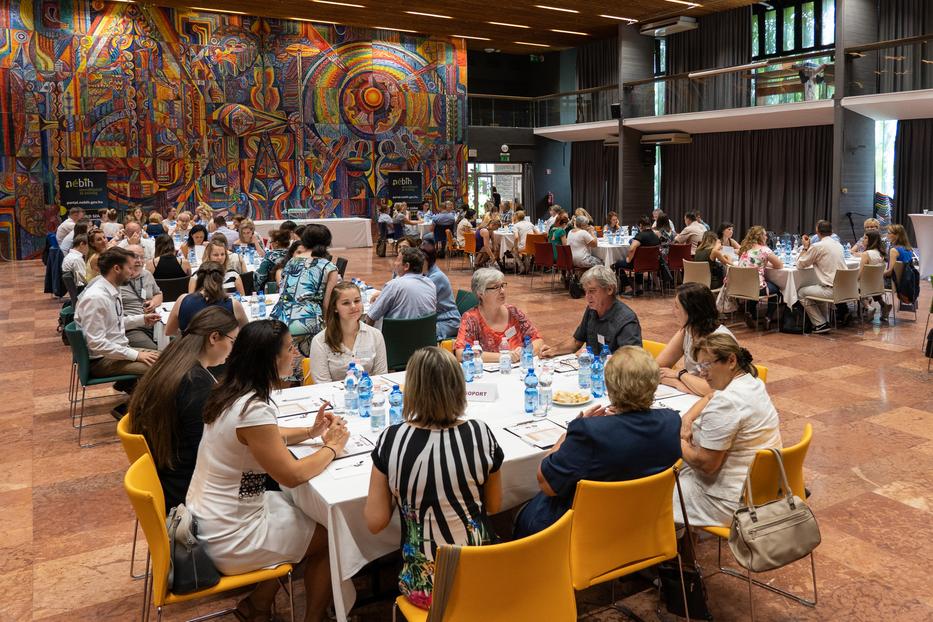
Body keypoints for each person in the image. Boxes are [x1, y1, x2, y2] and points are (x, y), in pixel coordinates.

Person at [186, 319, 349, 622]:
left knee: (294, 506)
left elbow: (264, 436)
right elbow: (292, 474)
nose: (295, 355)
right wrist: (333, 448)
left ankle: (258, 605)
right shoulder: (252, 409)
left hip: (207, 515)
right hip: (228, 534)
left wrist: (310, 432)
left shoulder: (229, 392)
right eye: (289, 349)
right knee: (331, 535)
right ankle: (312, 617)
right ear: (270, 360)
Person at [364, 347, 503, 610]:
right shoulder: (480, 434)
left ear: (412, 390)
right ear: (459, 387)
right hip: (482, 574)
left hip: (424, 586)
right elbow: (494, 507)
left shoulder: (392, 440)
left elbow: (375, 522)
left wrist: (402, 492)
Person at [515, 346, 681, 537]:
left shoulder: (590, 432)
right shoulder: (671, 422)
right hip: (644, 529)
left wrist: (566, 436)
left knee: (522, 512)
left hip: (583, 534)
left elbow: (546, 484)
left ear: (610, 385)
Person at [129, 307, 239, 510]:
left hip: (169, 476)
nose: (233, 350)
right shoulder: (195, 382)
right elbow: (209, 450)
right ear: (214, 337)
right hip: (189, 490)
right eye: (233, 342)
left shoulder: (173, 358)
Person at [676, 333, 781, 527]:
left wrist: (675, 439)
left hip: (727, 501)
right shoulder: (752, 383)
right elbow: (711, 396)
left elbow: (706, 464)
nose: (701, 373)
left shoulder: (728, 402)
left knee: (653, 496)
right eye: (699, 367)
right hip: (760, 489)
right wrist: (688, 419)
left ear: (731, 360)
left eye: (706, 366)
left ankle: (672, 551)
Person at [74, 247, 161, 380]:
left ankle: (136, 394)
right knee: (163, 367)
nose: (132, 273)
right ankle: (141, 398)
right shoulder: (96, 298)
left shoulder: (113, 288)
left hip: (117, 352)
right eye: (130, 268)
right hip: (101, 361)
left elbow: (115, 323)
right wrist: (136, 355)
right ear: (117, 269)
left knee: (169, 359)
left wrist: (142, 319)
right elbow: (96, 343)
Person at [541, 265, 642, 357]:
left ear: (609, 289)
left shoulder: (626, 320)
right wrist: (553, 350)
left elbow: (632, 361)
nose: (587, 297)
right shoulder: (592, 310)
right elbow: (576, 342)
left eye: (592, 291)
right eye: (586, 292)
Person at [271, 224, 338, 357]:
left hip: (279, 318)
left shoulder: (292, 261)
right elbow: (326, 304)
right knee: (307, 369)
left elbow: (284, 290)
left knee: (284, 367)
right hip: (307, 322)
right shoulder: (328, 267)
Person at [656, 283, 734, 396]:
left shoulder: (718, 340)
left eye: (677, 307)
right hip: (692, 397)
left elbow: (713, 390)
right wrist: (677, 383)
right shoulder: (686, 331)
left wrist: (680, 375)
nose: (674, 312)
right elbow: (657, 369)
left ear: (691, 312)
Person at [455, 268, 543, 362]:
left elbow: (538, 340)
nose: (502, 291)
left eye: (502, 286)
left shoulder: (514, 313)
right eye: (495, 287)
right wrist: (503, 357)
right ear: (480, 293)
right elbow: (461, 353)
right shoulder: (470, 318)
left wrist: (525, 352)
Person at [308, 282, 388, 383]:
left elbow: (380, 376)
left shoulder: (376, 335)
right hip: (333, 396)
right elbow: (322, 385)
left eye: (357, 301)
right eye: (346, 303)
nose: (353, 306)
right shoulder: (320, 341)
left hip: (369, 395)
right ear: (335, 308)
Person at [167, 261, 248, 336]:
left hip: (190, 349)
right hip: (222, 350)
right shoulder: (233, 304)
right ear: (222, 279)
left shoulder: (182, 300)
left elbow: (169, 331)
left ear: (198, 278)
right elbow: (247, 332)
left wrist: (187, 335)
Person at [796, 220, 846, 334]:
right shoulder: (838, 245)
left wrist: (805, 248)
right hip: (845, 288)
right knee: (819, 286)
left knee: (801, 292)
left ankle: (819, 323)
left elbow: (800, 264)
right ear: (831, 231)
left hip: (832, 290)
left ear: (817, 231)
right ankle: (824, 321)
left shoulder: (818, 246)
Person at [364, 247, 436, 325]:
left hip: (396, 336)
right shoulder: (430, 283)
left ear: (406, 266)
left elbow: (371, 317)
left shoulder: (394, 285)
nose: (395, 263)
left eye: (397, 260)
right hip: (426, 335)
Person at [736, 225, 784, 329]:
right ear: (760, 236)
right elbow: (780, 265)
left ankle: (751, 313)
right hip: (755, 287)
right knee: (777, 290)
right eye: (765, 235)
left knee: (754, 287)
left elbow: (755, 262)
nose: (767, 237)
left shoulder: (745, 249)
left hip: (740, 286)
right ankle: (768, 317)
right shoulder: (764, 250)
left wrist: (765, 264)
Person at [121, 244, 164, 350]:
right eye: (135, 257)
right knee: (156, 353)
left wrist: (153, 302)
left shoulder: (147, 274)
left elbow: (158, 294)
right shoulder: (117, 279)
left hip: (154, 323)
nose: (139, 261)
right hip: (132, 328)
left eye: (142, 257)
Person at [420, 239, 461, 340]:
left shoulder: (435, 277)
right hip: (436, 319)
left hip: (448, 321)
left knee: (421, 336)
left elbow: (418, 301)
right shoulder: (425, 273)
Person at [613, 216, 660, 296]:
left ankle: (628, 287)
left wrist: (628, 259)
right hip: (653, 264)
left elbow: (632, 249)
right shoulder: (655, 236)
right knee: (639, 260)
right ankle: (639, 287)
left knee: (617, 264)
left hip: (640, 264)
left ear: (641, 225)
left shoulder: (640, 236)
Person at [856, 230, 891, 321]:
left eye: (865, 238)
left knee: (854, 286)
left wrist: (853, 280)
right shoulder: (881, 253)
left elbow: (860, 273)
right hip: (877, 285)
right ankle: (883, 305)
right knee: (867, 285)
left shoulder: (866, 254)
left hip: (865, 286)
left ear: (871, 240)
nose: (863, 240)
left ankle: (868, 307)